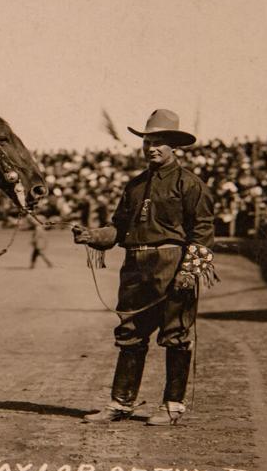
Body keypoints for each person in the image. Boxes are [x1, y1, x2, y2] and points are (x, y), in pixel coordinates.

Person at [73, 109, 216, 426]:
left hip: (173, 266)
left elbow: (203, 234)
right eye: (148, 141)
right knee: (130, 334)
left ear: (173, 146)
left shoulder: (190, 185)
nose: (152, 147)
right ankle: (121, 404)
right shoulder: (135, 186)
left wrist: (187, 272)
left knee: (175, 335)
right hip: (136, 267)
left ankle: (172, 406)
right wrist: (93, 236)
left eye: (159, 142)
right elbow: (118, 230)